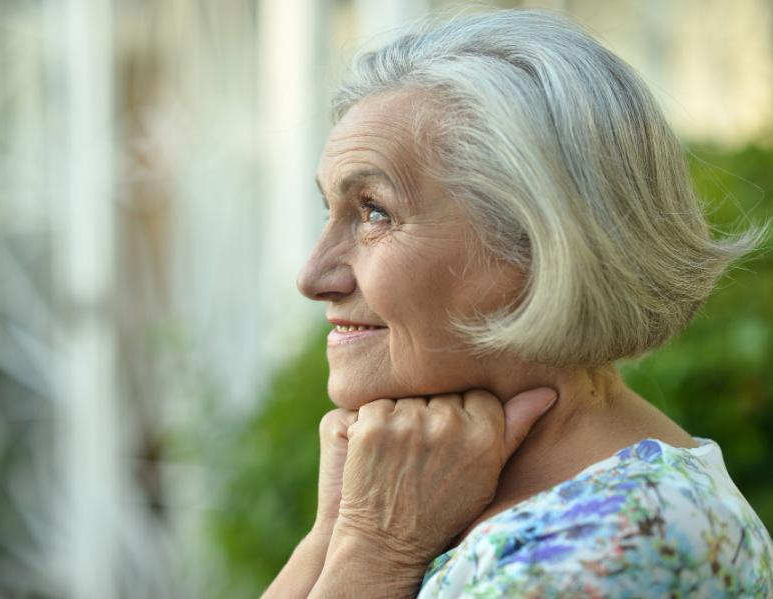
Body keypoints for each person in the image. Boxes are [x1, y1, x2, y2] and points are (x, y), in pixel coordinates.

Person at [263, 9, 773, 598]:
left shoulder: (610, 544)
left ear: (535, 243)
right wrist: (335, 531)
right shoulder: (431, 487)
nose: (313, 275)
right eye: (330, 211)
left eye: (374, 212)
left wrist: (377, 549)